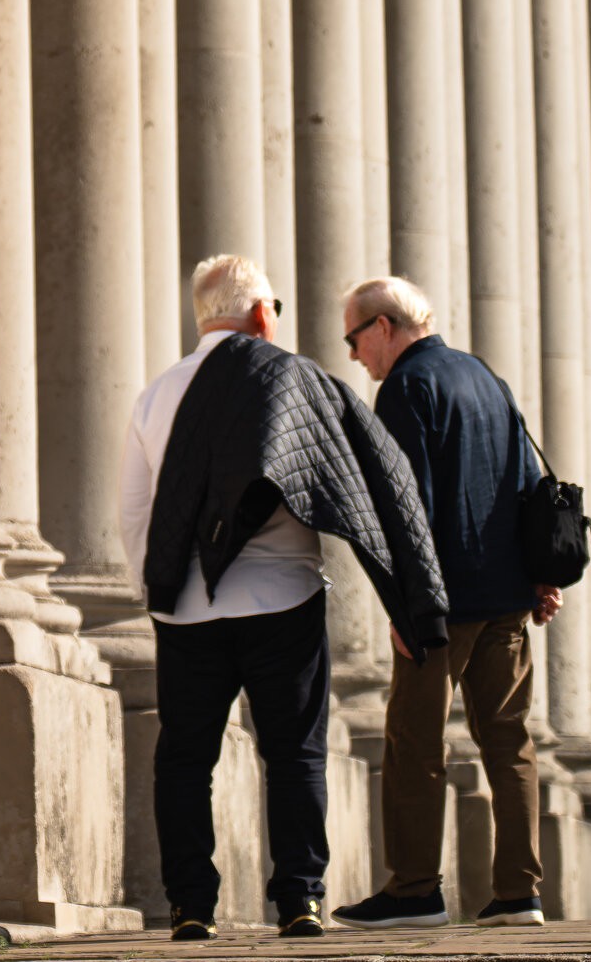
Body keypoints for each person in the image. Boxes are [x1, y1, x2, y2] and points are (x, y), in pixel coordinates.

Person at [119, 255, 449, 941]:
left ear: (203, 315)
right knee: (294, 753)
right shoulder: (299, 383)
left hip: (187, 610)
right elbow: (369, 480)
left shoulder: (156, 395)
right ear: (263, 313)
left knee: (185, 758)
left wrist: (158, 596)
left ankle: (190, 905)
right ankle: (299, 897)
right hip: (284, 599)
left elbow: (136, 512)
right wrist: (411, 596)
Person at [330, 277, 559, 930]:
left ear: (382, 326)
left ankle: (413, 891)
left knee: (413, 743)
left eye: (354, 338)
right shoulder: (487, 378)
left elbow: (409, 508)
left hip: (442, 607)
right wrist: (541, 579)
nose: (354, 356)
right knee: (510, 743)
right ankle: (520, 894)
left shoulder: (406, 387)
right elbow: (527, 484)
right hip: (508, 602)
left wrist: (409, 607)